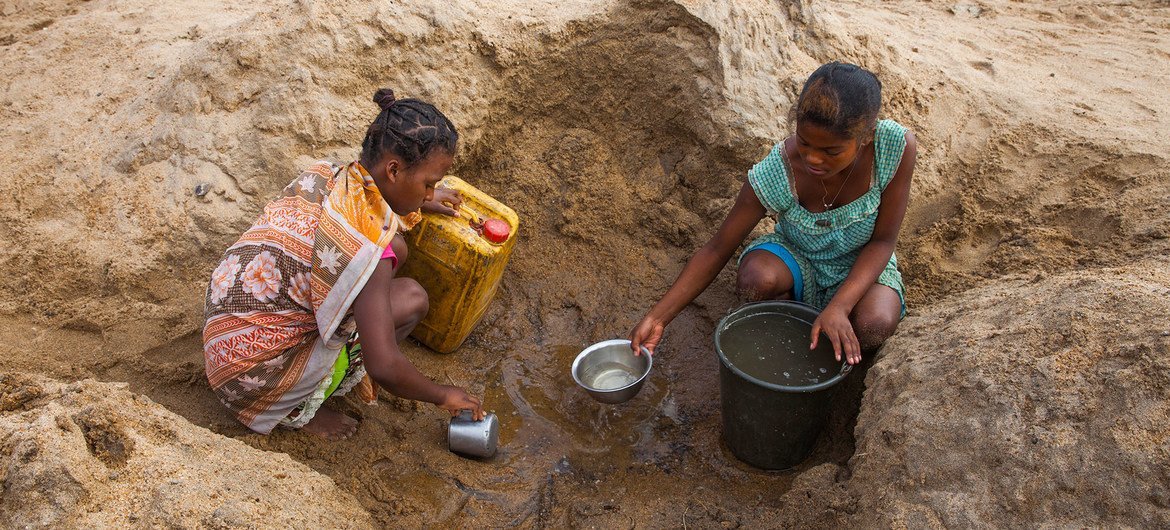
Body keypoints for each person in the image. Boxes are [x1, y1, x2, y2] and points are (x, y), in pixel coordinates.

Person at [203, 88, 484, 440]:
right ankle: (296, 408)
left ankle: (319, 373)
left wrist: (419, 201)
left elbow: (377, 204)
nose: (430, 194)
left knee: (394, 251)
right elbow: (385, 367)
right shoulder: (367, 247)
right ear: (394, 170)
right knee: (413, 298)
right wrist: (443, 394)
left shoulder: (329, 175)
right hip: (253, 382)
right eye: (428, 184)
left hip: (226, 333)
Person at [630, 62, 918, 366]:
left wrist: (840, 306)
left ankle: (841, 368)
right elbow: (717, 248)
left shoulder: (894, 148)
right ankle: (787, 332)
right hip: (798, 256)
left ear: (866, 136)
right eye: (804, 142)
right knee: (757, 279)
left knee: (875, 325)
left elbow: (883, 242)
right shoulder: (779, 170)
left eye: (831, 151)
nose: (813, 158)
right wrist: (658, 318)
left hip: (861, 264)